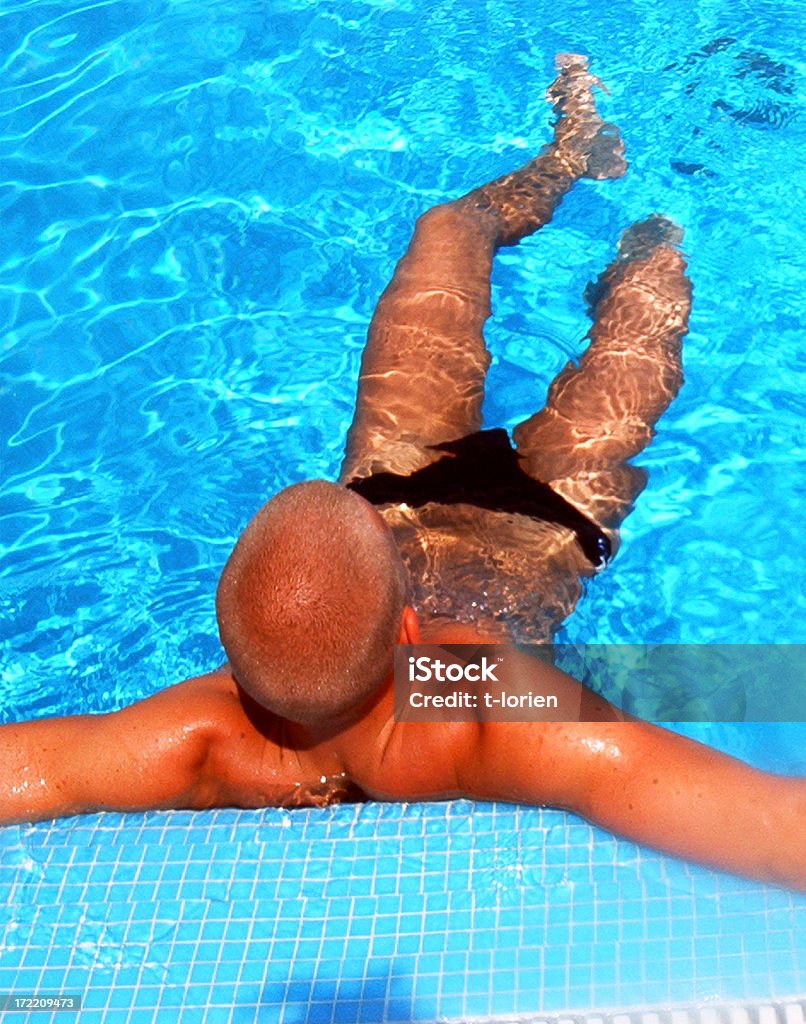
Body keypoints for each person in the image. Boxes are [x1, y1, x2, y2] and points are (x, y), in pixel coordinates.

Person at [2, 56, 804, 893]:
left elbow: (35, 768)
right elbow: (767, 825)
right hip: (544, 524)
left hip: (399, 483)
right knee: (653, 285)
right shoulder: (485, 709)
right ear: (412, 631)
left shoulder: (200, 739)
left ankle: (571, 155)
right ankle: (666, 212)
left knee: (450, 228)